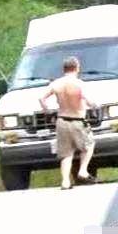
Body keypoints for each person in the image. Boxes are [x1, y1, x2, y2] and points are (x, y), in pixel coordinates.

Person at [39, 56, 98, 190]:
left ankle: (65, 181)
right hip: (78, 120)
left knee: (66, 153)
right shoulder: (79, 84)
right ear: (77, 68)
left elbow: (41, 98)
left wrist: (47, 112)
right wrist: (95, 106)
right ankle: (83, 170)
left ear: (64, 69)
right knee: (88, 145)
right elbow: (89, 100)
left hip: (62, 120)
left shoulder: (56, 84)